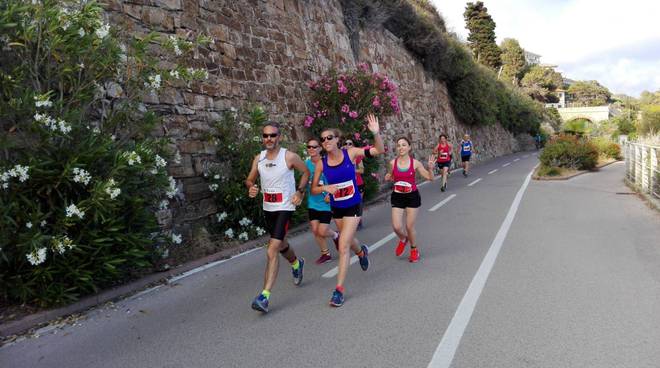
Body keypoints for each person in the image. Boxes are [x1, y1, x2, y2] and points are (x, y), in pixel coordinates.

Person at [311, 113, 384, 307]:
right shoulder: (321, 163)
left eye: (329, 138)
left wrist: (376, 133)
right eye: (322, 139)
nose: (325, 141)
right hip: (336, 208)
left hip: (353, 206)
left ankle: (339, 291)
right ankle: (361, 253)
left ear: (337, 139)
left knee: (343, 245)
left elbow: (379, 150)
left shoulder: (350, 154)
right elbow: (314, 189)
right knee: (350, 240)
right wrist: (324, 188)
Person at [245, 122, 310, 314]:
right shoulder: (259, 158)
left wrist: (299, 192)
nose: (269, 139)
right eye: (265, 136)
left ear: (279, 137)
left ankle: (264, 296)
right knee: (281, 245)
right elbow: (249, 179)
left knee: (272, 249)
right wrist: (251, 187)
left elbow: (305, 172)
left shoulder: (289, 157)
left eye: (272, 135)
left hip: (285, 208)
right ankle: (297, 264)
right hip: (269, 208)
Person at [385, 137, 435, 262]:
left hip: (412, 196)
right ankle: (403, 239)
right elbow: (390, 176)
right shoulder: (392, 163)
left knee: (408, 226)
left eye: (403, 145)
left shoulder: (415, 163)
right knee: (396, 226)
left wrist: (430, 168)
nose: (401, 147)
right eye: (398, 145)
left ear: (409, 147)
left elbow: (430, 178)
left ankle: (414, 249)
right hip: (397, 196)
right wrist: (388, 177)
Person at [305, 138, 340, 264]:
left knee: (322, 230)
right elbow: (304, 180)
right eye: (309, 147)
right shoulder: (306, 164)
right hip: (313, 201)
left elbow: (336, 179)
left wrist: (331, 195)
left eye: (314, 147)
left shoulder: (326, 163)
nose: (311, 149)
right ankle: (325, 254)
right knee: (315, 229)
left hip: (326, 202)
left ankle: (336, 235)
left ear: (320, 148)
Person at [344, 138, 366, 230]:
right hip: (347, 184)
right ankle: (351, 221)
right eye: (346, 143)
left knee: (358, 203)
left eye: (350, 143)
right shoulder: (341, 158)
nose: (348, 145)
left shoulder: (357, 157)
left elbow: (362, 170)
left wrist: (352, 170)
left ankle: (359, 221)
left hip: (358, 183)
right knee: (349, 203)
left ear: (353, 146)